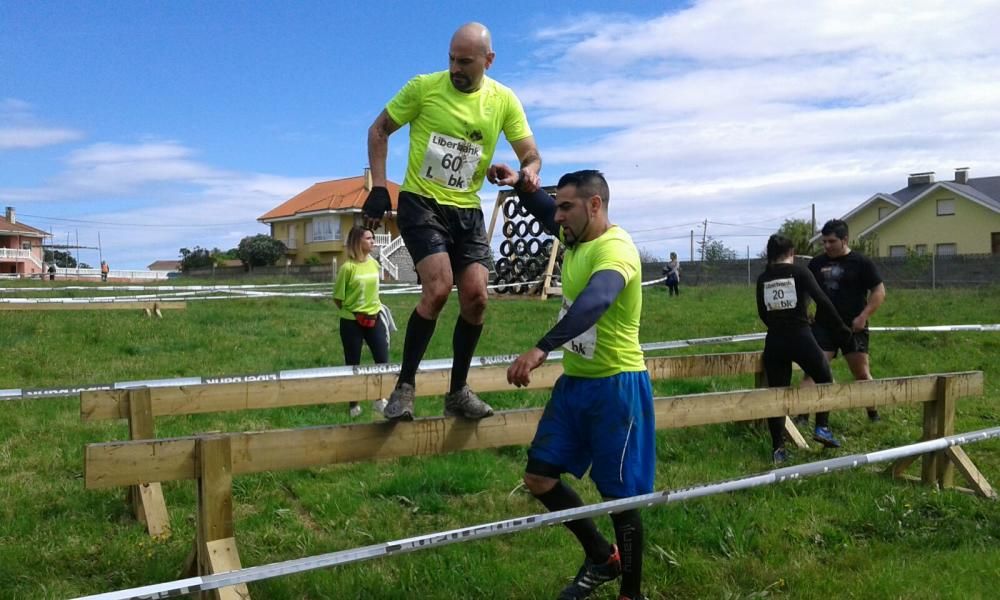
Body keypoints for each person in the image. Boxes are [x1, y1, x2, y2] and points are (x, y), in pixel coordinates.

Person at [363, 22, 541, 422]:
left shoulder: (504, 100)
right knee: (440, 287)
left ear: (488, 60)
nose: (456, 68)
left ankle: (457, 391)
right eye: (451, 59)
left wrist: (524, 171)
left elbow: (531, 154)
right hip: (421, 203)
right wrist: (377, 187)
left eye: (465, 62)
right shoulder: (423, 88)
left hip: (467, 210)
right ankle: (404, 388)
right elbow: (379, 130)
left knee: (477, 297)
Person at [495, 166, 653, 600]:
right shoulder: (574, 235)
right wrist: (522, 185)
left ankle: (631, 594)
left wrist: (542, 348)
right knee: (539, 477)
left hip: (616, 387)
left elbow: (597, 301)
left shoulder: (616, 249)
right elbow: (547, 210)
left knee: (619, 498)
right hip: (576, 385)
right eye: (559, 207)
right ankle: (601, 557)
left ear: (595, 205)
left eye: (568, 207)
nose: (558, 217)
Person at [756, 234, 852, 462]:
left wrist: (777, 325)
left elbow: (762, 311)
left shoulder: (763, 278)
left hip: (775, 341)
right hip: (800, 337)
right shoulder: (799, 272)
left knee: (777, 394)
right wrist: (841, 329)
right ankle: (822, 427)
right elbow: (822, 300)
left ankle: (778, 448)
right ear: (792, 254)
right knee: (825, 377)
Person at [805, 219, 886, 422]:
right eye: (824, 242)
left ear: (845, 239)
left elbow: (879, 291)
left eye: (831, 241)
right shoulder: (816, 264)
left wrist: (863, 316)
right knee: (813, 371)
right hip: (823, 326)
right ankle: (802, 414)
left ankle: (872, 412)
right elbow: (804, 291)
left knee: (861, 374)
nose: (827, 246)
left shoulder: (861, 263)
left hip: (853, 327)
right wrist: (804, 310)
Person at [333, 226, 390, 418]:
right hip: (351, 322)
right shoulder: (347, 268)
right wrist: (354, 312)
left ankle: (380, 399)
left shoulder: (374, 263)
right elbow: (338, 298)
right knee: (353, 364)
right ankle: (353, 404)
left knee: (383, 359)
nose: (373, 241)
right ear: (358, 242)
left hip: (375, 318)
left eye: (373, 238)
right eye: (369, 238)